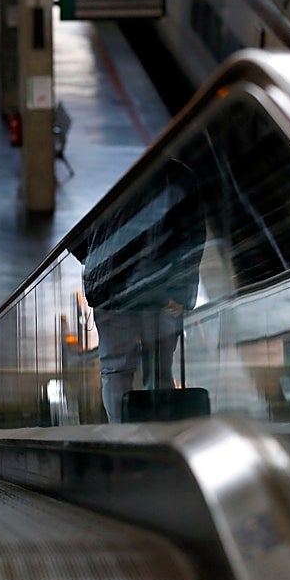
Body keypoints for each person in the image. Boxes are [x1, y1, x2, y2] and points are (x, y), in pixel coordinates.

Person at [79, 157, 206, 423]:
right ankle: (158, 437)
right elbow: (191, 234)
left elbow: (77, 234)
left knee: (115, 370)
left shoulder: (105, 172)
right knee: (158, 370)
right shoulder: (177, 174)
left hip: (109, 287)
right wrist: (181, 292)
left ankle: (122, 437)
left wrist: (95, 260)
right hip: (161, 290)